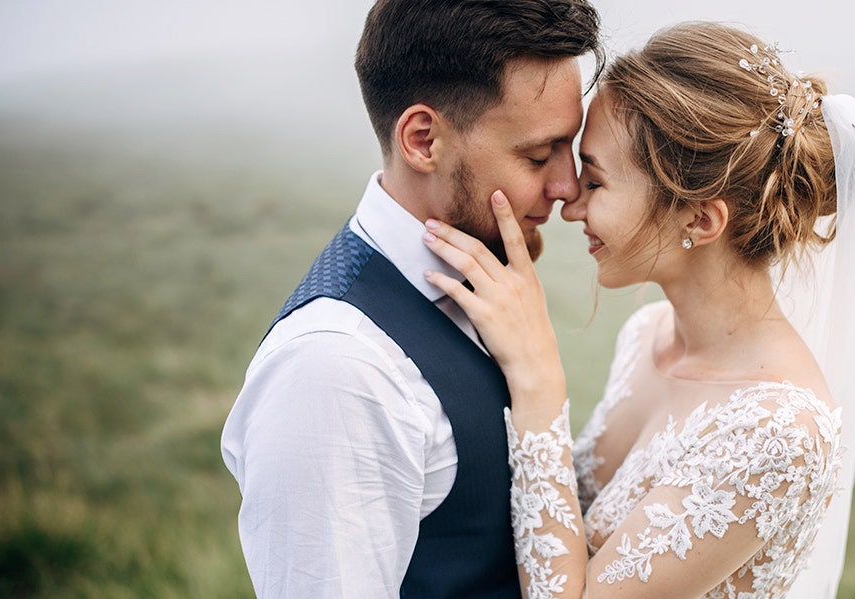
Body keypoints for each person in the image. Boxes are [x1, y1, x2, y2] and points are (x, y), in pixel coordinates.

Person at [422, 22, 855, 598]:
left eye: (594, 181)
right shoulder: (647, 334)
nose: (569, 202)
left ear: (700, 219)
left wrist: (538, 382)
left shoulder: (781, 434)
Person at [219, 1, 602, 597]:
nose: (567, 185)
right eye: (536, 155)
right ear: (424, 141)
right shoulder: (332, 370)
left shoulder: (490, 282)